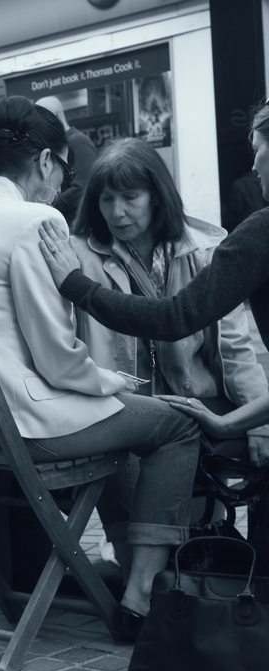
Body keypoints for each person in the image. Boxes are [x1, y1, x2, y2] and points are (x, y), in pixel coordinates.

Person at [0, 95, 200, 641]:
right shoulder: (36, 219)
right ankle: (141, 592)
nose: (63, 183)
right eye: (63, 169)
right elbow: (59, 360)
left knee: (125, 422)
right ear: (45, 162)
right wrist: (116, 383)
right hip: (17, 424)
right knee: (175, 424)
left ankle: (134, 573)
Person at [38, 102, 269, 451]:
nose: (117, 212)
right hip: (120, 413)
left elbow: (229, 345)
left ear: (157, 197)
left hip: (199, 409)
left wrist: (258, 423)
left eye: (130, 197)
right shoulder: (77, 256)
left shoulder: (204, 250)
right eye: (106, 199)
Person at [36, 95, 98, 225]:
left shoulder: (78, 142)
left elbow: (82, 189)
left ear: (57, 115)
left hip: (78, 224)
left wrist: (48, 206)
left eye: (42, 119)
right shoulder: (62, 143)